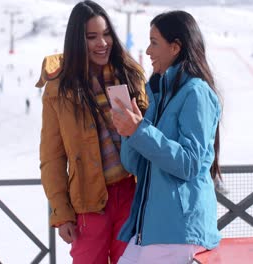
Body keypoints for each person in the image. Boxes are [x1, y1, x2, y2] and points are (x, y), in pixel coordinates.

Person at [35, 1, 148, 263]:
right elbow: (52, 156)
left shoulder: (129, 74)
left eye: (106, 34)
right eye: (92, 37)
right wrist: (61, 213)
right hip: (88, 201)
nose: (102, 43)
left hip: (131, 194)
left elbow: (150, 133)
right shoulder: (59, 89)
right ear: (77, 40)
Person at [111, 11, 222, 263]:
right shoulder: (160, 94)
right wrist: (130, 133)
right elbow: (134, 165)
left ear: (175, 47)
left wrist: (140, 130)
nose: (148, 51)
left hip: (180, 230)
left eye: (154, 42)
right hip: (152, 229)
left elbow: (189, 163)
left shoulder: (196, 93)